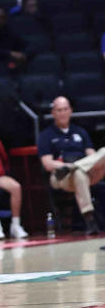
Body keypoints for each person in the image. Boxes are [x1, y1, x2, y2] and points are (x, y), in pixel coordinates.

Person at [39, 96, 105, 235]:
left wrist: (79, 165)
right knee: (79, 174)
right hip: (61, 175)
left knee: (103, 152)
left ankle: (77, 166)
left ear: (70, 111)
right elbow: (47, 164)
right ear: (53, 113)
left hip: (84, 171)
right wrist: (67, 166)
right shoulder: (46, 135)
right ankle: (89, 218)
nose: (62, 113)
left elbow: (92, 155)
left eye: (65, 109)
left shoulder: (80, 131)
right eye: (59, 110)